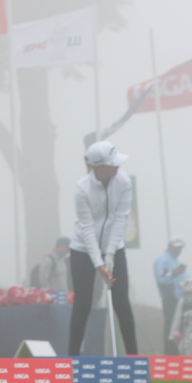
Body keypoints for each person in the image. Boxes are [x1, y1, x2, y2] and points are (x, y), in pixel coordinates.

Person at [70, 141, 140, 357]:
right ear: (99, 167)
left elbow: (121, 218)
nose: (117, 166)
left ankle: (133, 357)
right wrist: (99, 264)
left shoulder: (124, 181)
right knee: (82, 304)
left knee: (121, 302)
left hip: (115, 248)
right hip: (83, 249)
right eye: (112, 163)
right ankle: (73, 359)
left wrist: (109, 253)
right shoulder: (82, 188)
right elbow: (87, 228)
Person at [155, 238, 189, 349]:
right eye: (176, 247)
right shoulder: (162, 260)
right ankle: (170, 354)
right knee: (170, 325)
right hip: (170, 298)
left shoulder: (177, 262)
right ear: (169, 246)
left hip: (181, 299)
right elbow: (161, 280)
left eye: (180, 248)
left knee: (179, 328)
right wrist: (173, 274)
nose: (179, 250)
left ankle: (178, 352)